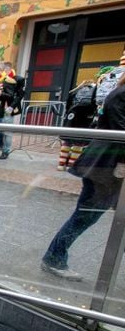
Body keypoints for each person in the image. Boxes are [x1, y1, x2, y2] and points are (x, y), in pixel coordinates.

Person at [41, 72, 125, 281]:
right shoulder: (121, 95)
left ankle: (54, 256)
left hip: (107, 166)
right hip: (105, 169)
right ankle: (54, 256)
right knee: (85, 216)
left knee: (89, 216)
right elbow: (120, 133)